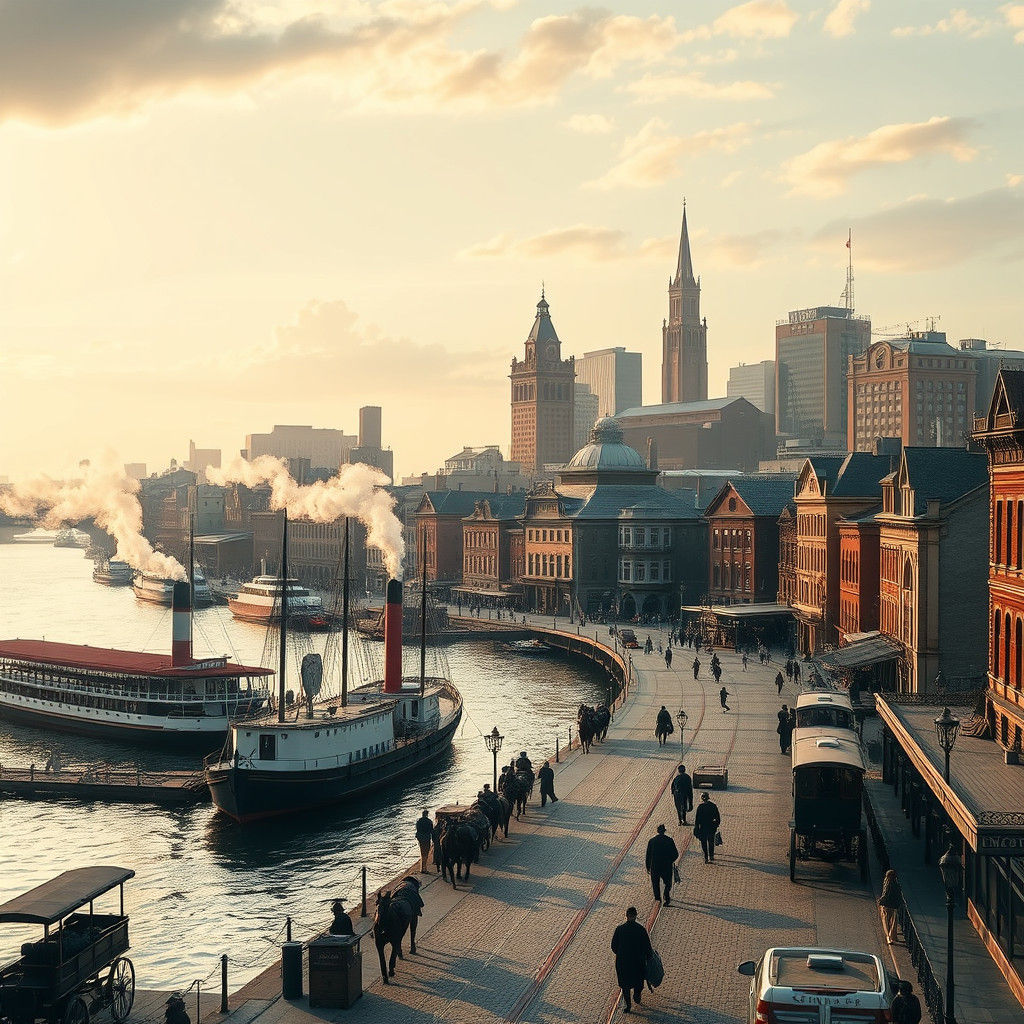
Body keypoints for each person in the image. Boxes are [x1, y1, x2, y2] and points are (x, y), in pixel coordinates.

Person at [611, 907, 652, 1015]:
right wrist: (647, 957)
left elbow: (614, 946)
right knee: (638, 981)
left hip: (623, 963)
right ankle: (637, 996)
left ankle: (628, 1005)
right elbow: (648, 947)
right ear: (635, 916)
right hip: (638, 963)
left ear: (626, 915)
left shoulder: (620, 929)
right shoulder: (641, 930)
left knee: (625, 985)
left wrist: (621, 953)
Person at [645, 824, 679, 904]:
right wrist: (670, 860)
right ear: (664, 831)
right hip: (666, 866)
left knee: (655, 884)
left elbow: (648, 855)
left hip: (655, 867)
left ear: (657, 831)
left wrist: (648, 866)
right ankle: (666, 896)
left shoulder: (652, 841)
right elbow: (676, 854)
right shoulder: (669, 840)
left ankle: (658, 899)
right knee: (668, 883)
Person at [693, 792, 721, 863]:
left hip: (703, 828)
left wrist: (696, 828)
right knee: (711, 842)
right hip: (711, 827)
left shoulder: (700, 807)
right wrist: (716, 825)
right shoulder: (713, 806)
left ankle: (706, 857)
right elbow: (718, 818)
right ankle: (711, 856)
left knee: (704, 843)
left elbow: (697, 820)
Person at [878, 868, 901, 943]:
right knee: (893, 921)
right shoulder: (896, 884)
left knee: (886, 920)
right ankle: (893, 936)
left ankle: (888, 937)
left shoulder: (887, 882)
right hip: (893, 905)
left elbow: (885, 893)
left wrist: (880, 900)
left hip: (886, 904)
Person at [415, 809, 434, 873]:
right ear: (427, 814)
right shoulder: (429, 821)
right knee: (426, 853)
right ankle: (424, 868)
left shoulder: (418, 821)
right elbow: (431, 831)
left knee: (422, 852)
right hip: (426, 838)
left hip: (420, 839)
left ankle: (421, 868)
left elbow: (417, 830)